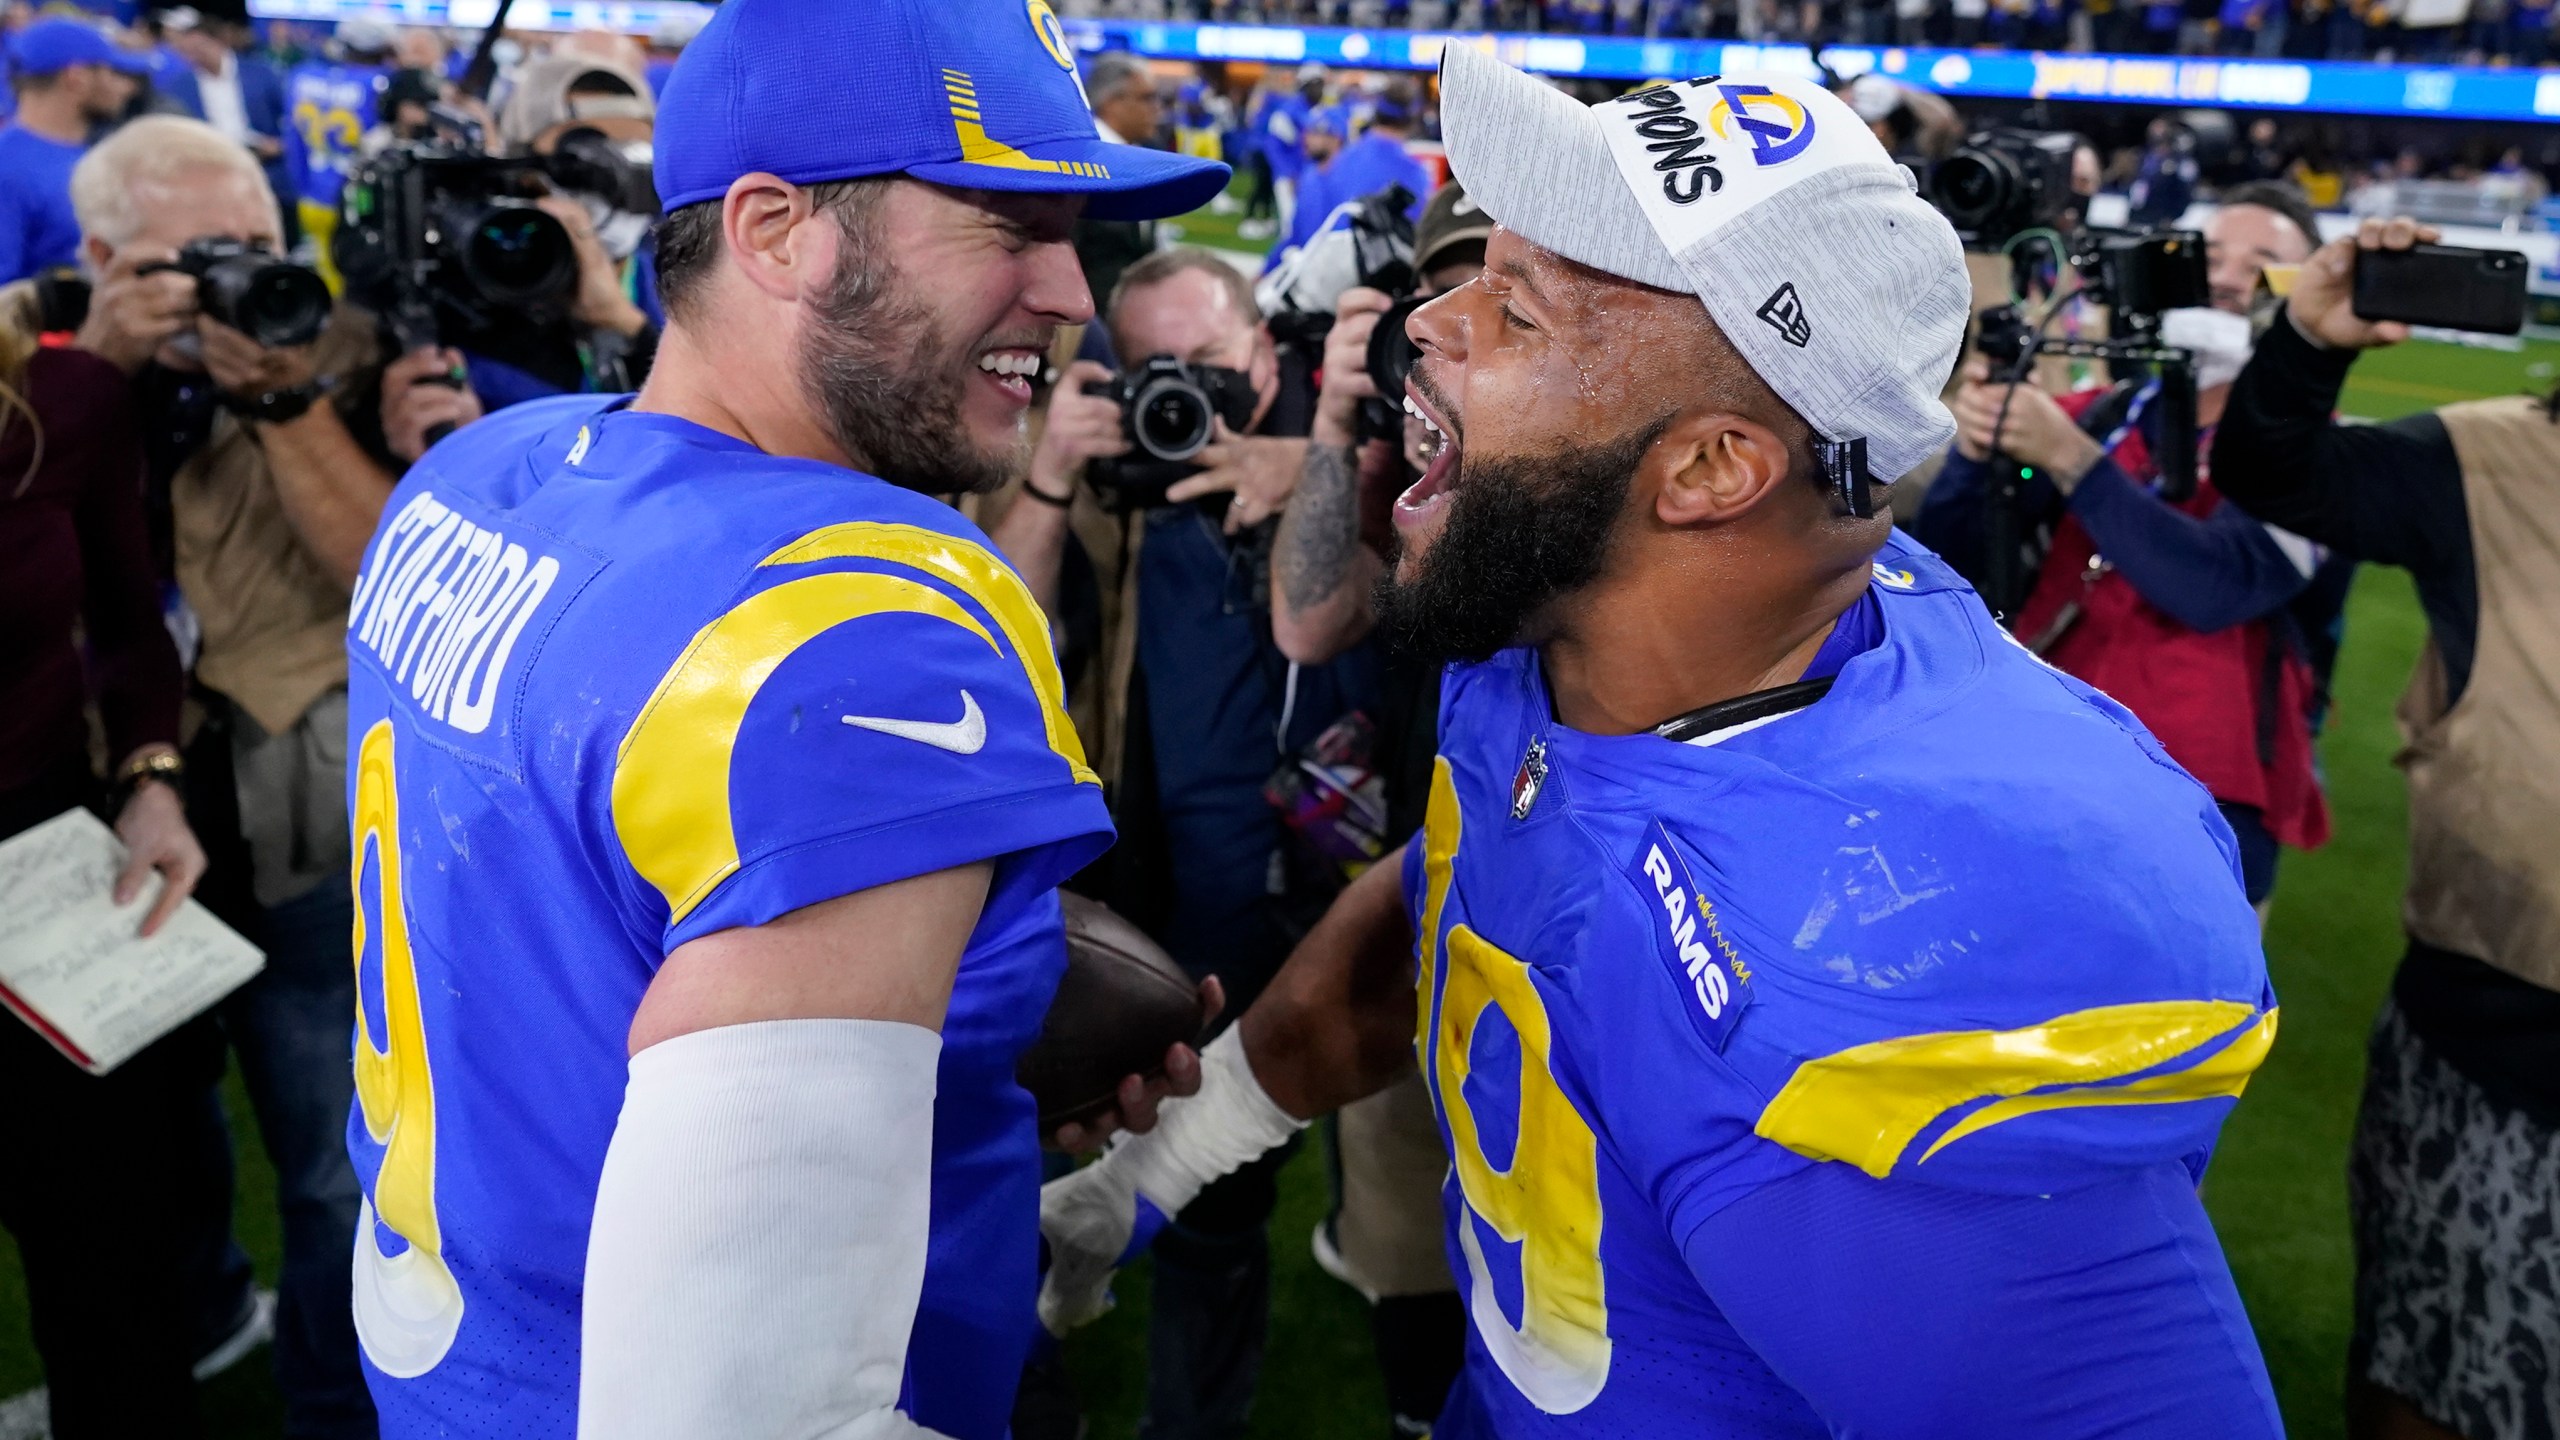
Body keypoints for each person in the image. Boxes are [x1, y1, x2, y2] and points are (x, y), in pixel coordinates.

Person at [1041, 52, 2284, 1438]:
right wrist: (1175, 1152)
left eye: (1518, 306)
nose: (1433, 323)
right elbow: (1465, 881)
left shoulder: (1899, 969)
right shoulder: (1584, 623)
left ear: (1709, 470)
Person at [336, 0, 1225, 1434]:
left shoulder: (478, 469)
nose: (1072, 293)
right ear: (772, 229)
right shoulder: (854, 618)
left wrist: (941, 1080)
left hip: (462, 1358)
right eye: (1010, 223)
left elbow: (579, 942)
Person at [64, 112, 487, 1440]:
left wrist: (278, 392)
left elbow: (385, 566)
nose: (240, 278)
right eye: (199, 258)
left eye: (256, 244)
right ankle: (200, 1318)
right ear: (104, 258)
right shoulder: (53, 372)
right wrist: (96, 376)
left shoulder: (344, 345)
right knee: (144, 1125)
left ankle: (326, 1394)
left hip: (303, 802)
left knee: (327, 1155)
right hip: (107, 804)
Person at [989, 243, 1379, 1440]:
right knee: (1046, 1190)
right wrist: (1053, 477)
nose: (1184, 398)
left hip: (1288, 912)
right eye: (1153, 370)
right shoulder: (1096, 491)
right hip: (1119, 912)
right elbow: (993, 649)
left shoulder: (1342, 468)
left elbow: (1330, 620)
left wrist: (1308, 463)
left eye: (1208, 365)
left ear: (1269, 355)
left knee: (1220, 1208)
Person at [2213, 214, 2560, 1440]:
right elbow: (2272, 472)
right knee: (2422, 1378)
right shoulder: (2489, 461)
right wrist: (2308, 342)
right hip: (2492, 1043)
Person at [1916, 181, 2336, 907]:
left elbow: (2213, 587)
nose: (2227, 277)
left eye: (2262, 263)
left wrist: (2072, 460)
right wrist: (1976, 455)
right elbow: (1955, 563)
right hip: (2035, 756)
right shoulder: (2104, 412)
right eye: (2212, 254)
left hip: (2201, 797)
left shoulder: (2323, 453)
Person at [1268, 177, 1495, 1440]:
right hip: (1425, 896)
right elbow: (1310, 616)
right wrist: (1335, 422)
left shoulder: (1578, 465)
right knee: (1407, 1212)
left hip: (1564, 915)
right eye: (1444, 294)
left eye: (1499, 297)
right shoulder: (1389, 465)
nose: (1460, 328)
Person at [0, 209, 223, 1440]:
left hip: (41, 873)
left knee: (115, 1280)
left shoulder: (66, 398)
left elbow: (135, 630)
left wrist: (151, 776)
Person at [463, 51, 662, 408]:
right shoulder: (472, 301)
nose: (620, 185)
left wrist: (627, 324)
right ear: (521, 167)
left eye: (638, 156)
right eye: (582, 158)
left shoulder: (674, 286)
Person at [0, 17, 145, 284]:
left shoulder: (96, 154)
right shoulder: (8, 169)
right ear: (76, 78)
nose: (123, 89)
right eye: (111, 73)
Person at [281, 14, 391, 285]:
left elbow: (292, 142)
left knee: (324, 272)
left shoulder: (302, 76)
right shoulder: (381, 84)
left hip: (311, 194)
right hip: (359, 201)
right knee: (358, 280)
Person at [1277, 80, 1430, 261]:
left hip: (1321, 267)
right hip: (1372, 275)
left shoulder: (1338, 161)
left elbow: (1305, 230)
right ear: (1412, 119)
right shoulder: (1415, 172)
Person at [1073, 50, 1168, 331]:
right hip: (1087, 330)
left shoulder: (1138, 156)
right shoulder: (1082, 163)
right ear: (1112, 102)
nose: (1157, 109)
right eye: (1147, 98)